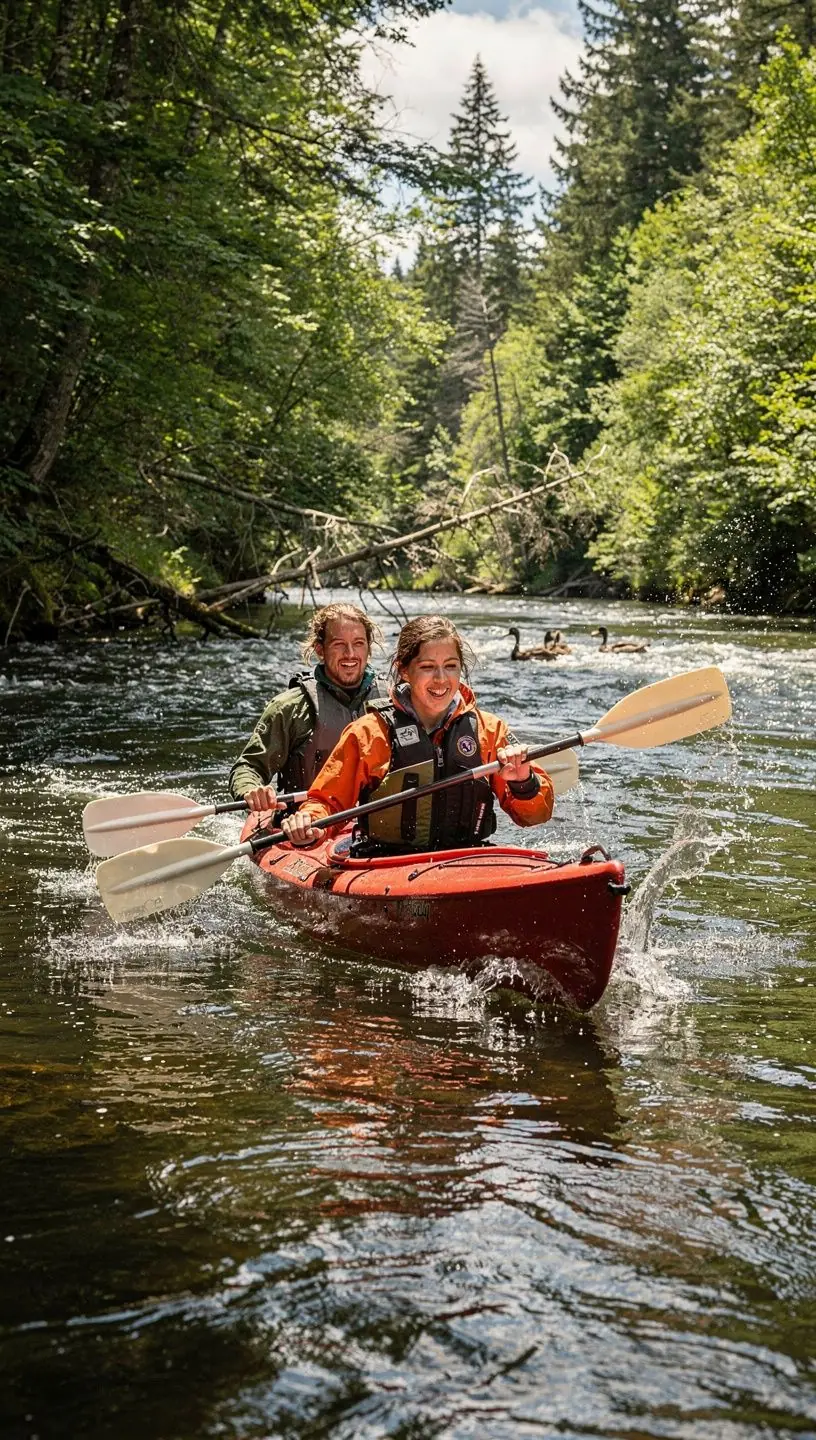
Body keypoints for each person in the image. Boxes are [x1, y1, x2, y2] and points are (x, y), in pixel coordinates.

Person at [281, 614, 554, 851]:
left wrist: (524, 782)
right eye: (427, 667)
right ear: (404, 670)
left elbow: (535, 816)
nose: (441, 679)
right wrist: (310, 824)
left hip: (466, 859)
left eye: (450, 666)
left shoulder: (490, 731)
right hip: (387, 863)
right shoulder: (368, 733)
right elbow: (326, 803)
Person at [228, 602, 386, 812]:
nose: (350, 654)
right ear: (320, 649)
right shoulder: (290, 707)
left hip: (378, 823)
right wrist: (251, 790)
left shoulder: (395, 700)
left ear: (368, 647)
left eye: (358, 643)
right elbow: (248, 767)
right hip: (306, 824)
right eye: (339, 644)